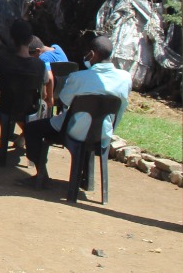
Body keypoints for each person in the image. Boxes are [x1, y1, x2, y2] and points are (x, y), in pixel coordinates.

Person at [23, 35, 130, 190]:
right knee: (87, 129)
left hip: (73, 131)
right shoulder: (125, 78)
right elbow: (121, 107)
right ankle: (86, 180)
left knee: (32, 129)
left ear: (92, 54)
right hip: (102, 133)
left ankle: (42, 174)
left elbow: (65, 101)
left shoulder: (78, 77)